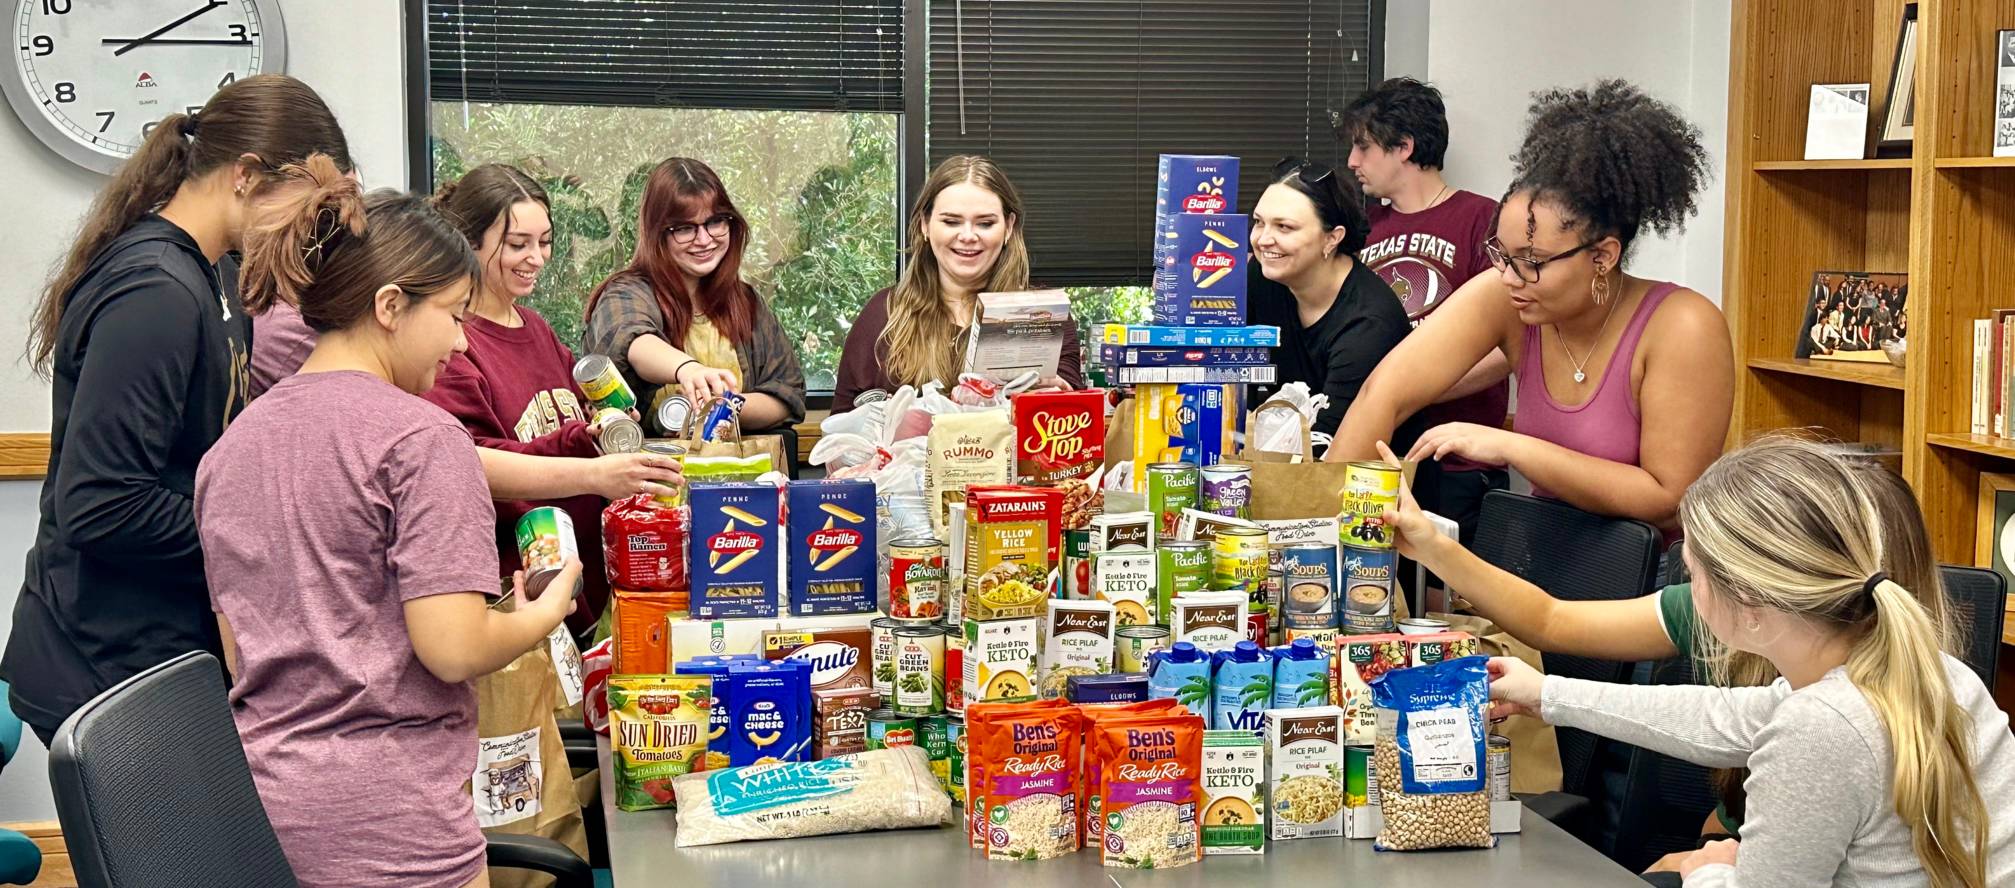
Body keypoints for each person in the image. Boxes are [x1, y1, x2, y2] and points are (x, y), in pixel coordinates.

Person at [198, 157, 576, 888]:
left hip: (260, 811)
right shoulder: (423, 442)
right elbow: (455, 649)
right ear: (392, 304)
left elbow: (240, 652)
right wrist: (547, 606)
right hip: (394, 825)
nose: (462, 344)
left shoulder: (231, 445)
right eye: (455, 317)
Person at [1373, 439, 1953, 874]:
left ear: (1748, 603)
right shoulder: (1919, 675)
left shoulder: (1819, 727)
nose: (1684, 578)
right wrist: (1548, 695)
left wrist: (1714, 870)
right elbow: (1725, 716)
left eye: (1694, 571)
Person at [1, 76, 353, 745]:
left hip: (159, 646)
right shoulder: (155, 293)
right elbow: (101, 502)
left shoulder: (215, 278)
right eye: (305, 205)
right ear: (247, 176)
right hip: (100, 661)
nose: (310, 227)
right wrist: (263, 539)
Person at [1328, 80, 1732, 532]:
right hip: (1540, 562)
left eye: (1532, 263)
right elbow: (1383, 392)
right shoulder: (1507, 296)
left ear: (1603, 256)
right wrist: (1319, 526)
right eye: (1501, 253)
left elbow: (1667, 498)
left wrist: (1512, 447)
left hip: (1647, 582)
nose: (1508, 277)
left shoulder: (1683, 326)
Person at [424, 163, 650, 634]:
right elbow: (472, 462)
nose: (536, 257)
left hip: (583, 586)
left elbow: (576, 419)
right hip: (521, 594)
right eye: (517, 244)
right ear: (468, 242)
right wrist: (581, 449)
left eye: (544, 241)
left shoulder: (539, 330)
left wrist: (605, 423)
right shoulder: (452, 346)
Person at [1339, 76, 1508, 544]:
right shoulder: (1360, 227)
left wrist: (1412, 389)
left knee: (1445, 604)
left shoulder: (1484, 219)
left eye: (1364, 147)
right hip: (1377, 458)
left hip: (1455, 463)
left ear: (1405, 147)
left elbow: (1509, 348)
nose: (1353, 161)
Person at [832, 154, 1082, 414]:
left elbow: (1073, 426)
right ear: (925, 225)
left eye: (985, 223)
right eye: (951, 221)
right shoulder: (884, 315)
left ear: (1008, 227)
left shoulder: (1044, 318)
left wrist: (1061, 398)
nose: (968, 236)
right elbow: (837, 437)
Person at [581, 158, 806, 433]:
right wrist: (689, 370)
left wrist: (720, 406)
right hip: (651, 470)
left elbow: (786, 397)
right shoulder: (624, 293)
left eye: (715, 222)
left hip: (743, 471)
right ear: (657, 234)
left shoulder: (745, 301)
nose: (704, 239)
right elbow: (633, 341)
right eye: (685, 228)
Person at [1246, 157, 1423, 448]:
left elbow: (1327, 444)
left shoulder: (1368, 323)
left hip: (1368, 479)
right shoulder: (1264, 275)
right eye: (1259, 223)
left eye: (1284, 227)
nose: (1264, 240)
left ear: (1332, 239)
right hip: (1292, 461)